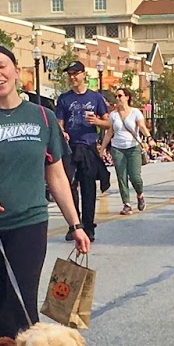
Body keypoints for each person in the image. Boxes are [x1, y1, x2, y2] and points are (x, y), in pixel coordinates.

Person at [0, 44, 88, 340]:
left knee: (23, 303)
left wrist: (75, 224)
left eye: (2, 66)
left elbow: (56, 175)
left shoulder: (42, 117)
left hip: (28, 224)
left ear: (17, 72)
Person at [55, 61, 109, 240]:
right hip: (70, 148)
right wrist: (61, 132)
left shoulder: (95, 98)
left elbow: (108, 123)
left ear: (84, 74)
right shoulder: (64, 99)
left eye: (75, 73)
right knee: (68, 185)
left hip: (88, 147)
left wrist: (97, 122)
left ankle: (89, 226)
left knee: (88, 187)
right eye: (69, 74)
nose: (72, 77)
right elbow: (59, 122)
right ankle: (74, 224)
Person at [105, 87, 149, 215]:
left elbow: (142, 126)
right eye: (116, 96)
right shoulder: (113, 115)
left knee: (135, 177)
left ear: (127, 97)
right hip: (117, 148)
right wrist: (102, 149)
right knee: (121, 177)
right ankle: (126, 204)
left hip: (133, 147)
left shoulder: (135, 112)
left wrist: (149, 138)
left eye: (120, 96)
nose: (117, 98)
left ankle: (140, 194)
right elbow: (109, 133)